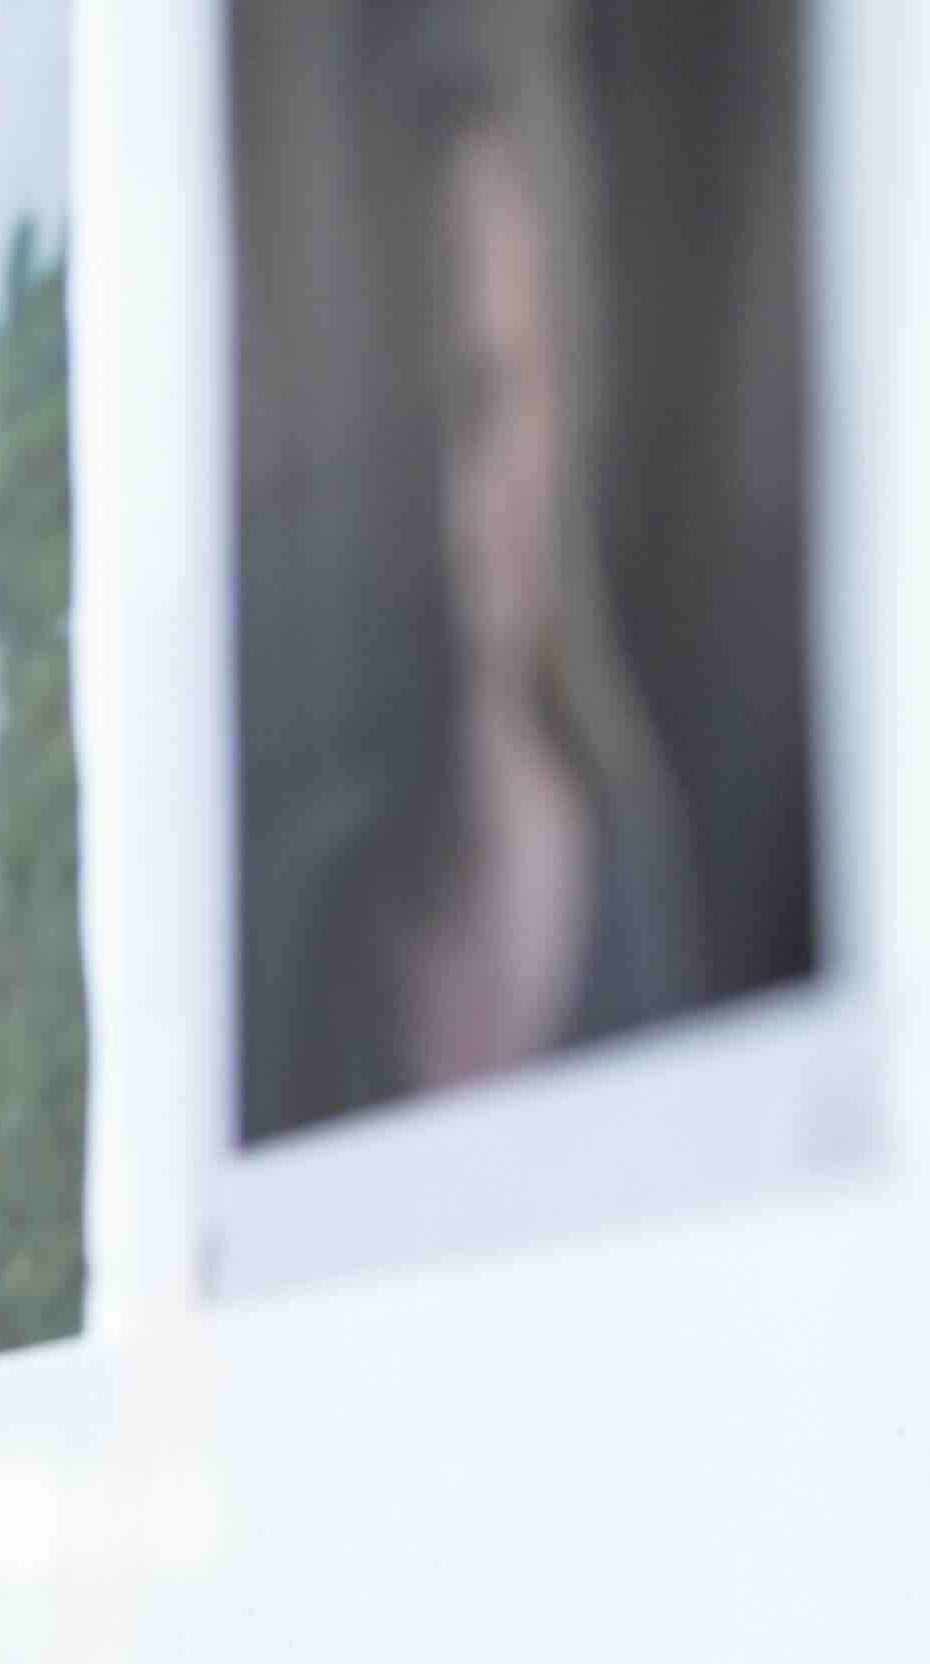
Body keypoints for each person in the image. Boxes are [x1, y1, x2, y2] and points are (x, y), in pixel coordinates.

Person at [256, 0, 704, 1134]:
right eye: (415, 407)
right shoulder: (309, 934)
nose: (450, 484)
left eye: (489, 395)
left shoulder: (643, 910)